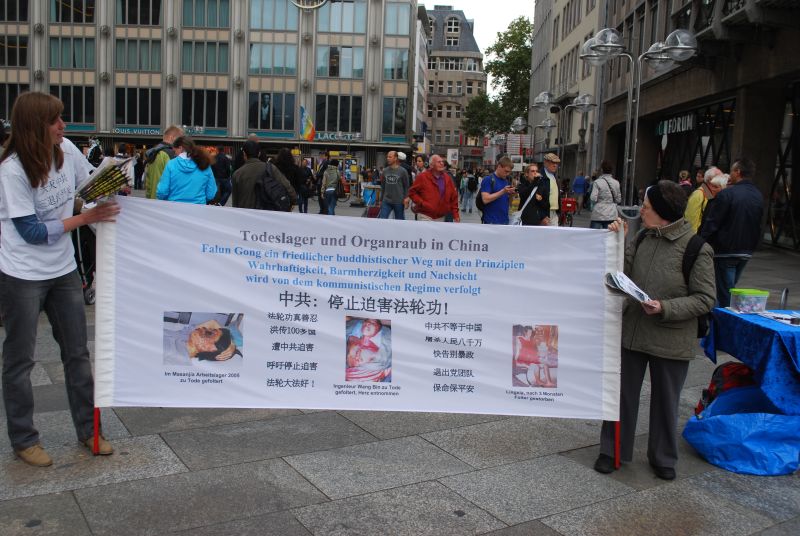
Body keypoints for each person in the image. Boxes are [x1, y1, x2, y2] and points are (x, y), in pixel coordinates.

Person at [0, 92, 121, 467]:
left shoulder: (66, 149)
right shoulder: (12, 171)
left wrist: (115, 182)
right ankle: (24, 439)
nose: (62, 126)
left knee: (77, 353)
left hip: (63, 269)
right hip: (22, 273)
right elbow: (32, 232)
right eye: (55, 120)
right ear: (36, 126)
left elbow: (89, 186)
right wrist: (85, 218)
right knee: (20, 360)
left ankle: (89, 431)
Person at [594, 180, 715, 481]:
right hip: (634, 331)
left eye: (646, 207)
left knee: (666, 400)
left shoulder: (696, 248)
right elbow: (622, 273)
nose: (641, 212)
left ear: (662, 211)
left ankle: (663, 457)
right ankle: (612, 450)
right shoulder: (643, 237)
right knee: (620, 395)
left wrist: (665, 307)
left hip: (671, 337)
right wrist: (619, 242)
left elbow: (705, 298)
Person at [699, 157, 764, 307]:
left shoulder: (727, 194)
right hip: (746, 249)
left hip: (726, 249)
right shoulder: (757, 195)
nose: (730, 174)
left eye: (732, 171)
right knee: (728, 287)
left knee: (725, 292)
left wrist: (701, 241)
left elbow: (713, 222)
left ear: (738, 172)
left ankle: (724, 317)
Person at [231, 140, 296, 209]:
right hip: (266, 212)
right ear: (259, 153)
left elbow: (235, 203)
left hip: (245, 213)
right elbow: (289, 189)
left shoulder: (237, 174)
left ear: (244, 154)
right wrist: (292, 202)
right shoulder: (270, 168)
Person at [156, 136, 217, 204]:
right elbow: (211, 194)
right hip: (198, 208)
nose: (174, 154)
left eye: (175, 151)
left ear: (180, 148)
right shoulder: (204, 164)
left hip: (174, 207)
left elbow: (162, 192)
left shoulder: (171, 164)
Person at [408, 154, 460, 222]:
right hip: (425, 215)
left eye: (442, 162)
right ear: (431, 165)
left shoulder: (447, 178)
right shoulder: (422, 177)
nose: (442, 163)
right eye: (439, 162)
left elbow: (453, 197)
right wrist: (422, 203)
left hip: (440, 216)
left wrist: (456, 214)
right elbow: (412, 192)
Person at [144, 125, 183, 199]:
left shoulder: (152, 153)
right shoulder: (171, 154)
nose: (181, 143)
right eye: (180, 140)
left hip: (152, 200)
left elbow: (148, 183)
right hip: (165, 201)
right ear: (172, 138)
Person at [684, 166, 725, 233]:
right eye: (719, 178)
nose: (722, 180)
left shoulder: (711, 195)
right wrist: (694, 238)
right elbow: (690, 223)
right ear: (710, 180)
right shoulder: (698, 194)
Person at [479, 156, 516, 225]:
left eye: (509, 172)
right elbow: (485, 199)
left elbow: (509, 203)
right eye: (506, 171)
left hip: (505, 221)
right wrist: (503, 191)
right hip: (491, 221)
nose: (507, 174)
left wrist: (512, 195)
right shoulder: (488, 179)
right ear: (499, 166)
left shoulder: (507, 181)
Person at [589, 160, 622, 229]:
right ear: (611, 170)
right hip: (611, 213)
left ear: (602, 170)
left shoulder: (597, 182)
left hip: (598, 213)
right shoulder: (616, 183)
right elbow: (618, 200)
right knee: (608, 234)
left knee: (594, 234)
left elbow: (593, 198)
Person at [378, 151, 410, 220]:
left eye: (390, 157)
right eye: (387, 157)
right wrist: (381, 200)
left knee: (399, 222)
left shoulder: (403, 171)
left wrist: (406, 198)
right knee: (382, 220)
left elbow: (406, 186)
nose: (387, 158)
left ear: (395, 158)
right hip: (386, 201)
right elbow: (383, 187)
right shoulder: (385, 171)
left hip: (399, 201)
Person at [542, 153, 561, 226]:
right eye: (552, 162)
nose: (555, 165)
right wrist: (542, 215)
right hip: (544, 213)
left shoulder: (554, 176)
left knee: (555, 232)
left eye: (557, 163)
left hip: (554, 212)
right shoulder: (540, 176)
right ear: (545, 162)